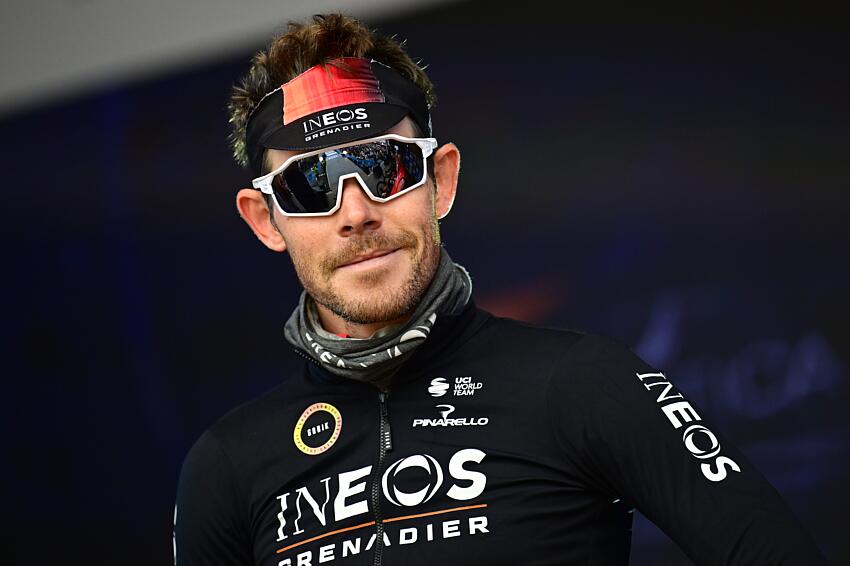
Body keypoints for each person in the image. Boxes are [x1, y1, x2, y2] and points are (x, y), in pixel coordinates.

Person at [174, 13, 826, 566]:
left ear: (442, 181)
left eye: (384, 166)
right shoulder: (227, 465)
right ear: (266, 221)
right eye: (310, 184)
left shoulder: (581, 382)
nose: (356, 212)